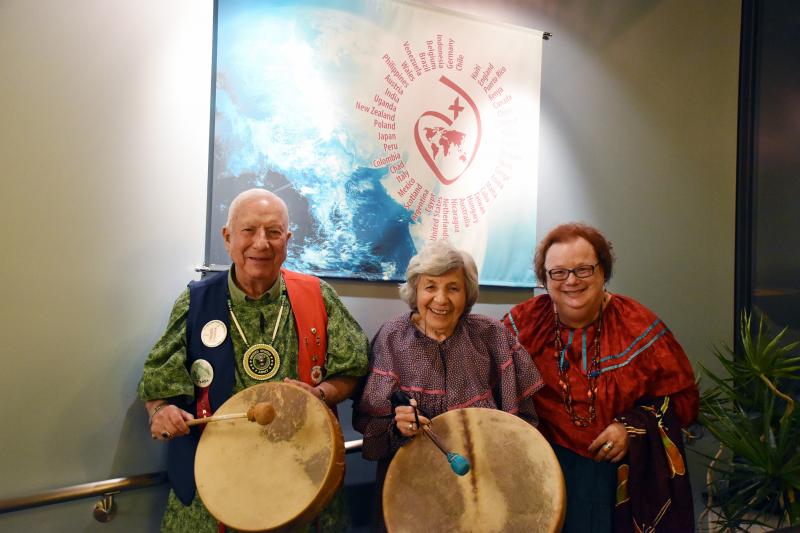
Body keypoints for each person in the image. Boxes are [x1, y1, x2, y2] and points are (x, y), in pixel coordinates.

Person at [138, 188, 369, 532]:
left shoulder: (317, 296)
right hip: (215, 484)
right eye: (248, 230)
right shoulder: (195, 303)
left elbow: (353, 370)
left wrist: (321, 394)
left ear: (287, 239)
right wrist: (161, 411)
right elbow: (158, 383)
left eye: (273, 232)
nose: (261, 243)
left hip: (302, 481)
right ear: (228, 237)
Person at [503, 223, 699, 533]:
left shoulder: (638, 324)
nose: (571, 281)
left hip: (620, 480)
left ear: (602, 271)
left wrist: (630, 426)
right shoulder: (522, 324)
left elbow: (683, 402)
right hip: (543, 472)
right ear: (544, 279)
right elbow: (489, 394)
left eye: (583, 269)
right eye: (558, 272)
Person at [353, 240, 544, 530]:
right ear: (415, 290)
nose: (440, 299)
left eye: (453, 288)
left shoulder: (490, 335)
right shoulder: (393, 337)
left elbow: (524, 423)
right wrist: (397, 426)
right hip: (410, 490)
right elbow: (367, 420)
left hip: (483, 486)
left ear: (466, 294)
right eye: (430, 286)